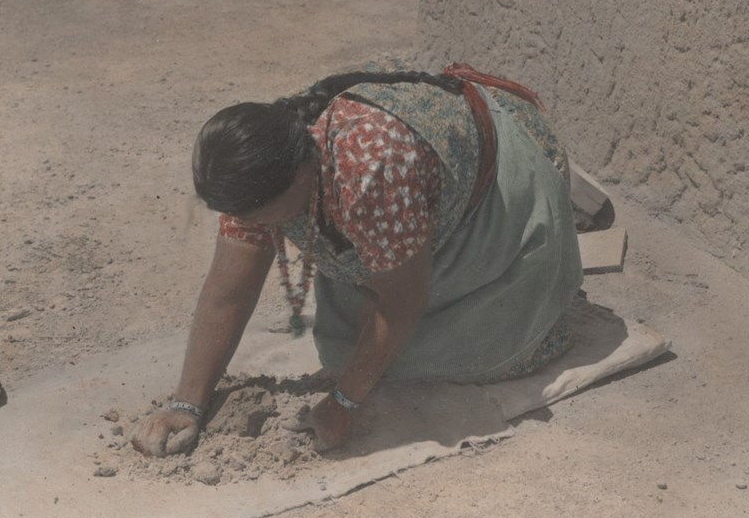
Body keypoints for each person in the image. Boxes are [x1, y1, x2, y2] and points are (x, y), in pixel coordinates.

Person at [130, 63, 583, 457]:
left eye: (262, 216)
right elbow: (227, 293)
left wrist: (343, 404)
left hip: (496, 186)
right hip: (399, 196)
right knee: (350, 350)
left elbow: (401, 302)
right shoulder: (262, 164)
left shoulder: (372, 170)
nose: (253, 225)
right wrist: (187, 403)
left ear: (304, 176)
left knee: (465, 354)